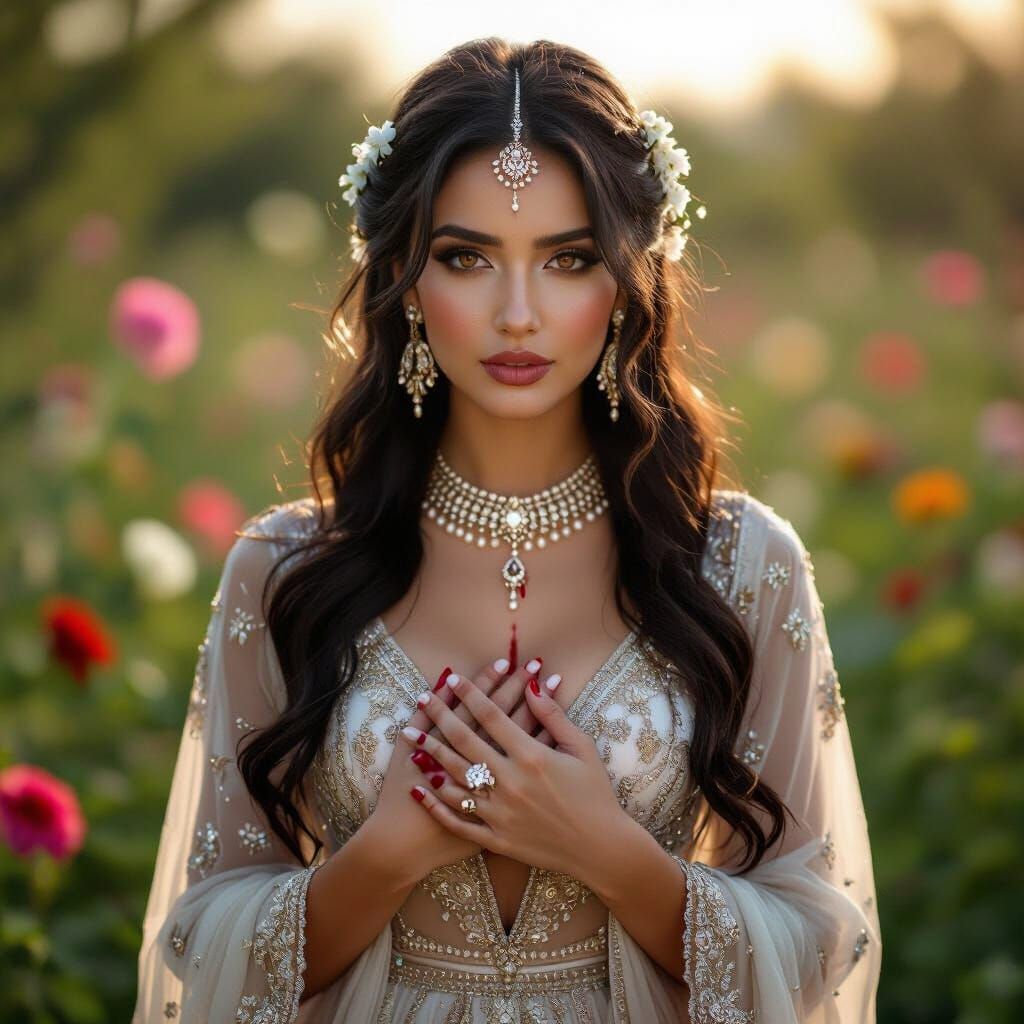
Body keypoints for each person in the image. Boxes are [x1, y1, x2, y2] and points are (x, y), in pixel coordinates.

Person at [132, 36, 881, 1024]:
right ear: (402, 272)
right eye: (466, 257)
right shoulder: (286, 571)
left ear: (625, 283)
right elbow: (207, 933)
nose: (518, 313)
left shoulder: (740, 567)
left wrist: (606, 852)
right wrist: (389, 850)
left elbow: (813, 937)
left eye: (567, 259)